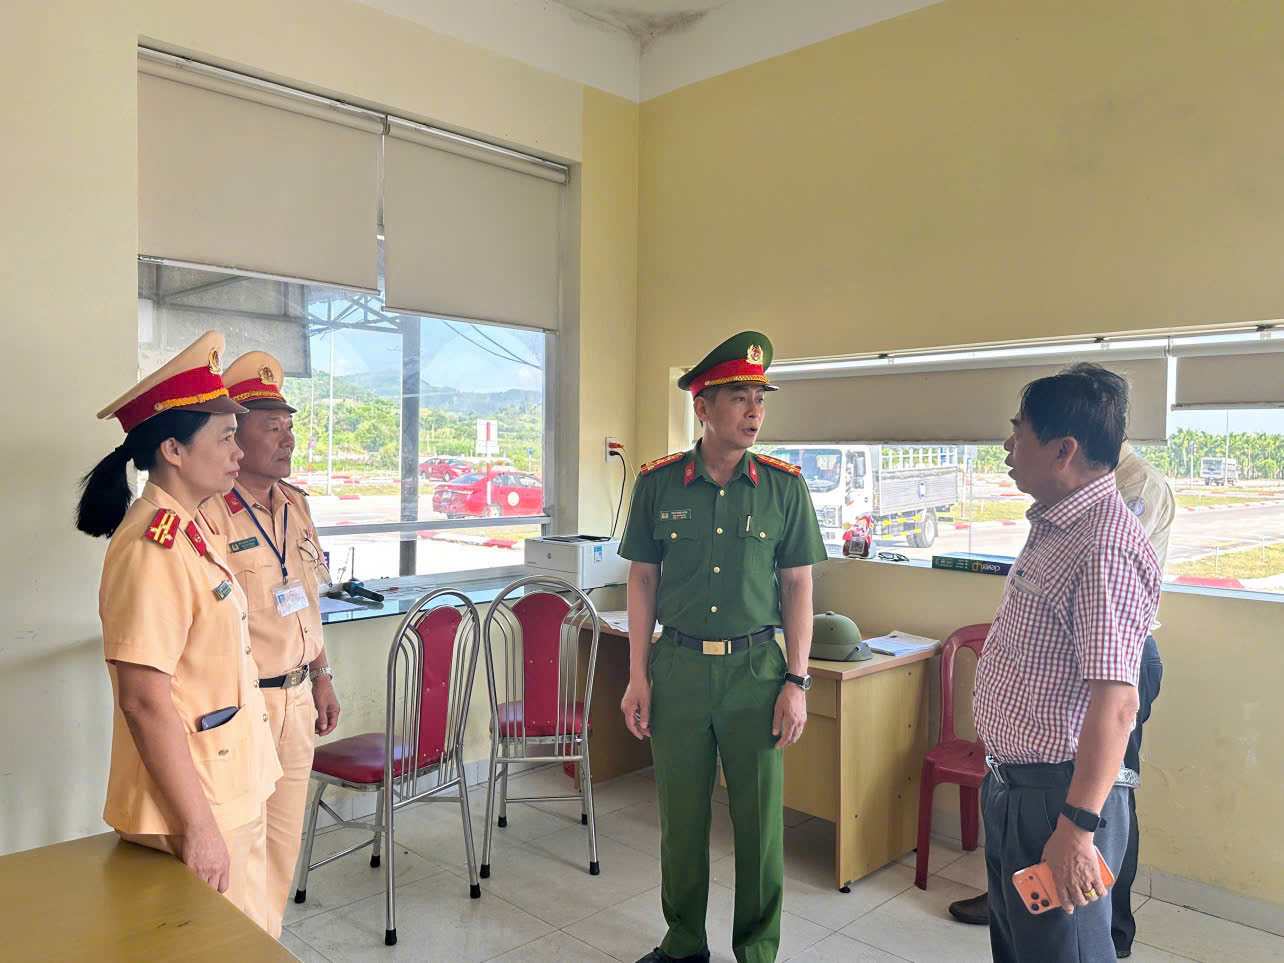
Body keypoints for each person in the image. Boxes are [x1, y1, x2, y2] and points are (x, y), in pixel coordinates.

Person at [617, 331, 827, 963]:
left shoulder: (785, 488)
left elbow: (798, 587)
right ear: (702, 407)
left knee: (760, 827)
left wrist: (797, 680)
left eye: (760, 398)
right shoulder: (658, 484)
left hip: (756, 674)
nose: (755, 411)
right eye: (740, 396)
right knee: (681, 822)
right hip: (677, 668)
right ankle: (683, 943)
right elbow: (642, 579)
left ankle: (757, 951)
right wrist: (636, 676)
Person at [77, 331, 282, 932]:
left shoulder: (190, 529)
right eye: (224, 437)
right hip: (199, 801)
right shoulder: (152, 547)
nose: (238, 451)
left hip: (230, 781)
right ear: (173, 448)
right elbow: (143, 699)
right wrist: (198, 828)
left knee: (251, 935)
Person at [947, 441, 1173, 960]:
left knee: (1063, 944)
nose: (1006, 445)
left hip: (1058, 785)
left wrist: (1076, 828)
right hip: (1018, 777)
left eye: (1018, 429)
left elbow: (1116, 706)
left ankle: (1107, 926)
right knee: (1023, 941)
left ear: (1063, 448)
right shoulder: (1056, 523)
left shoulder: (1104, 541)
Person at [204, 350, 340, 938]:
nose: (287, 441)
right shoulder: (210, 512)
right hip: (242, 707)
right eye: (271, 428)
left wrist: (324, 675)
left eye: (290, 427)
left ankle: (267, 944)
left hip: (298, 699)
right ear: (237, 435)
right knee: (237, 856)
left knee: (281, 850)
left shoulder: (296, 504)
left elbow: (304, 599)